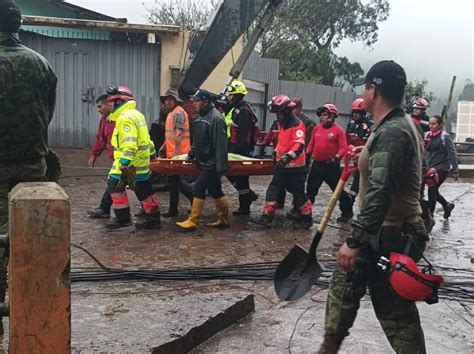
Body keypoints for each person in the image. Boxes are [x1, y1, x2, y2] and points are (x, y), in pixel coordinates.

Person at [318, 60, 429, 353]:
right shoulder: (397, 125)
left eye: (365, 88)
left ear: (373, 90)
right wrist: (366, 154)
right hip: (389, 229)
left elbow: (381, 193)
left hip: (391, 232)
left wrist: (354, 240)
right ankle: (328, 346)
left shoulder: (392, 132)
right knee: (345, 286)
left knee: (394, 311)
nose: (363, 95)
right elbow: (403, 168)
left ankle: (329, 346)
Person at [0, 0, 57, 234]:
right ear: (18, 26)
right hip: (33, 164)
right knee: (32, 231)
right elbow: (48, 112)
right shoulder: (42, 64)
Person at [251, 95, 313, 229]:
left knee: (297, 193)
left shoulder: (297, 124)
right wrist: (275, 153)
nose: (276, 116)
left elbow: (299, 144)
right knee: (274, 189)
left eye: (278, 113)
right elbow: (281, 142)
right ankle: (267, 217)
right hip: (283, 166)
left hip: (295, 167)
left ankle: (307, 218)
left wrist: (288, 157)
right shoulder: (281, 124)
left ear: (285, 111)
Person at [104, 85, 161, 230]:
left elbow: (130, 143)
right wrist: (152, 154)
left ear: (119, 102)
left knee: (114, 187)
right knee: (144, 191)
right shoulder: (137, 114)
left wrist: (124, 163)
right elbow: (146, 140)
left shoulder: (125, 118)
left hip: (129, 163)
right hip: (140, 162)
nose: (108, 105)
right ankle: (153, 218)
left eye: (110, 102)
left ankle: (123, 218)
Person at [176, 89, 229, 231]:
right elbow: (198, 141)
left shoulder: (216, 119)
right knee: (215, 190)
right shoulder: (200, 118)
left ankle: (193, 221)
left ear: (205, 102)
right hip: (203, 162)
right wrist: (192, 154)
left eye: (197, 101)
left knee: (198, 187)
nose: (194, 104)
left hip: (211, 164)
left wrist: (221, 167)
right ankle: (223, 219)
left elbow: (221, 145)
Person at [306, 103, 354, 223]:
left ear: (332, 116)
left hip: (331, 166)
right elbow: (311, 144)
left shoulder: (338, 130)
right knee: (310, 191)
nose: (321, 118)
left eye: (324, 115)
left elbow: (343, 147)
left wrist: (337, 157)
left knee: (338, 192)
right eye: (321, 116)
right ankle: (305, 214)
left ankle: (347, 212)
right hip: (317, 166)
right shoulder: (317, 129)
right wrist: (306, 155)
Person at [225, 80, 259, 215]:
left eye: (231, 95)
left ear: (238, 96)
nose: (229, 97)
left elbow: (243, 136)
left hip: (241, 150)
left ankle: (245, 205)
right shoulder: (239, 109)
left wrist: (234, 153)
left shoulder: (244, 112)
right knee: (239, 178)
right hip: (237, 148)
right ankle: (246, 200)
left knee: (240, 177)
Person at [158, 87, 193, 217]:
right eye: (166, 100)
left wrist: (176, 155)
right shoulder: (171, 113)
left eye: (170, 99)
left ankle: (175, 209)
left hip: (178, 154)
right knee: (174, 181)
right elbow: (170, 135)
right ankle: (176, 208)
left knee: (174, 181)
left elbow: (179, 134)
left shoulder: (178, 113)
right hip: (173, 154)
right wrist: (164, 146)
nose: (167, 102)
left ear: (175, 100)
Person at [87, 94, 116, 218]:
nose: (99, 110)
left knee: (114, 182)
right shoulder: (104, 121)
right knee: (115, 183)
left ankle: (105, 209)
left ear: (108, 104)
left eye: (100, 106)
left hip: (127, 157)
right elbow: (100, 139)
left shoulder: (120, 119)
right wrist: (94, 155)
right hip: (119, 158)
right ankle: (106, 209)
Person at [424, 115, 459, 219]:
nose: (431, 126)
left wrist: (455, 170)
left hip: (442, 168)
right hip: (429, 167)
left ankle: (430, 216)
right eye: (429, 123)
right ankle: (447, 205)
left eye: (433, 124)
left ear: (440, 125)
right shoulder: (426, 135)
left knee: (432, 189)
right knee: (434, 191)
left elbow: (452, 154)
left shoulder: (445, 137)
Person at [345, 98, 373, 204]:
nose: (355, 115)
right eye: (354, 112)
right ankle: (349, 205)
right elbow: (347, 139)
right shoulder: (351, 124)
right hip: (354, 156)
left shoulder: (370, 125)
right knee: (356, 183)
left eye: (358, 113)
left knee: (362, 182)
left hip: (366, 158)